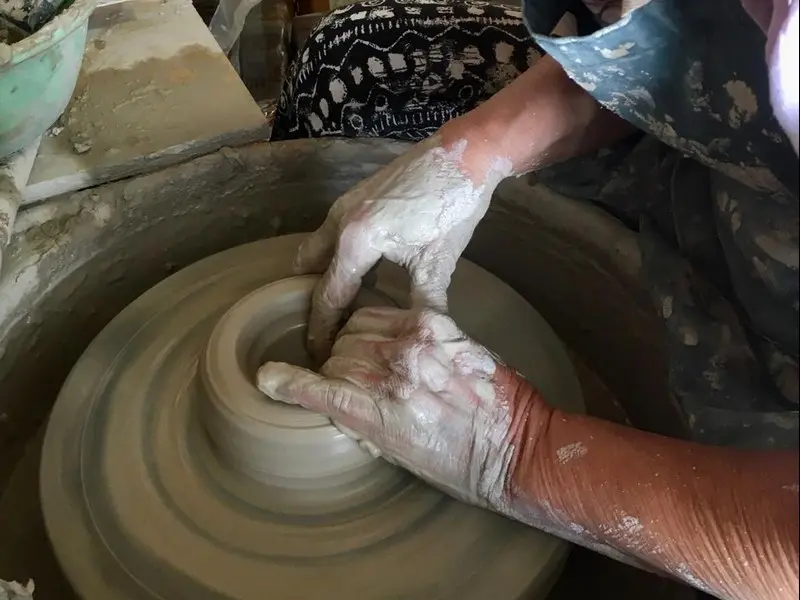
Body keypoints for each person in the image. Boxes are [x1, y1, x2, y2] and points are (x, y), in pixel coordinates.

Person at [259, 0, 799, 598]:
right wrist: (475, 152)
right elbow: (691, 32)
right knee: (352, 59)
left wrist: (515, 449)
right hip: (722, 167)